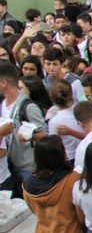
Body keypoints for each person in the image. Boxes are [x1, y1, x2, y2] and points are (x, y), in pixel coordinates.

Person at [0, 61, 48, 195]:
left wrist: (30, 135)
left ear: (4, 83)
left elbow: (46, 134)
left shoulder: (27, 106)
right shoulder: (2, 103)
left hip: (28, 168)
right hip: (10, 168)